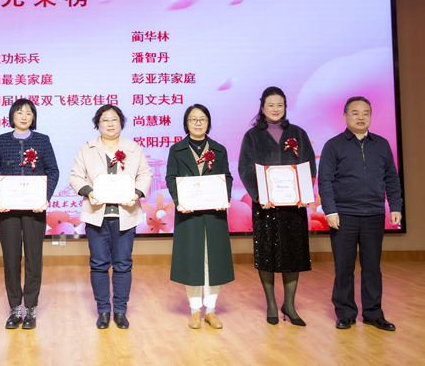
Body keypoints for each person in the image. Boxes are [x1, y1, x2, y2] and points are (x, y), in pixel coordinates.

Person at [318, 97, 402, 331]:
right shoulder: (333, 145)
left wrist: (395, 206)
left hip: (374, 213)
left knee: (372, 267)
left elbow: (391, 178)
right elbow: (325, 181)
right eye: (355, 113)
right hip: (343, 215)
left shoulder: (381, 144)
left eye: (365, 113)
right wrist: (330, 210)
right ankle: (346, 313)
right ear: (345, 116)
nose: (361, 117)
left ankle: (374, 313)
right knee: (344, 267)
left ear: (371, 116)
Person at [238, 86, 316, 327]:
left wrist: (305, 192)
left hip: (294, 207)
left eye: (280, 105)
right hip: (265, 206)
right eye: (270, 105)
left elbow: (310, 166)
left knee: (294, 253)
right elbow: (245, 169)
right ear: (262, 108)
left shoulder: (298, 133)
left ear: (285, 107)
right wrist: (259, 195)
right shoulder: (252, 136)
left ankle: (289, 305)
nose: (275, 109)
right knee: (267, 254)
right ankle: (271, 303)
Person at [70, 104, 152, 330]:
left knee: (123, 264)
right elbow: (75, 176)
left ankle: (121, 311)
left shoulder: (133, 148)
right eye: (104, 120)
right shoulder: (87, 149)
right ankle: (103, 311)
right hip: (97, 216)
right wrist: (88, 192)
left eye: (114, 119)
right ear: (97, 124)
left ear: (121, 123)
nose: (109, 124)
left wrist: (137, 193)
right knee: (98, 264)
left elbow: (145, 174)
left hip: (126, 215)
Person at [0, 99, 60, 330]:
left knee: (34, 259)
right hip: (7, 210)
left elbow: (53, 171)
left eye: (28, 113)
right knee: (11, 259)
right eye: (19, 112)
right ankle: (15, 308)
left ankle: (31, 308)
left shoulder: (42, 140)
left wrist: (45, 197)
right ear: (12, 116)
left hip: (35, 210)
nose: (24, 116)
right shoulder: (1, 140)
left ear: (33, 117)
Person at [166, 104, 234, 330]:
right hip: (189, 215)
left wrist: (224, 197)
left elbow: (227, 177)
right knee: (192, 261)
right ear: (186, 123)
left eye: (202, 119)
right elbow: (171, 178)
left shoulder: (219, 149)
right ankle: (195, 311)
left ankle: (211, 311)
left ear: (208, 122)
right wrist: (180, 201)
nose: (198, 123)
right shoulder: (176, 150)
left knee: (213, 262)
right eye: (193, 119)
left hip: (214, 214)